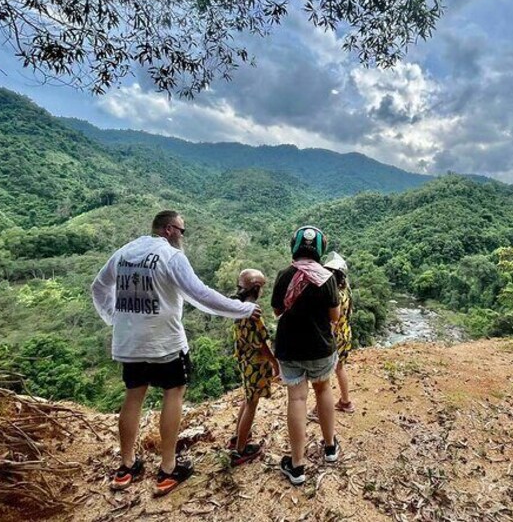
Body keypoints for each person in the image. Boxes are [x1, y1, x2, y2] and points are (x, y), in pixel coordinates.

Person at [91, 210, 261, 497]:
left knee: (134, 396)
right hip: (165, 343)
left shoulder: (124, 253)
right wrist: (243, 309)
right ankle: (168, 469)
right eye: (182, 230)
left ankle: (126, 467)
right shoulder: (171, 257)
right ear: (169, 230)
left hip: (129, 343)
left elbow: (98, 287)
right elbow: (201, 294)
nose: (183, 236)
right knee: (174, 393)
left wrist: (115, 318)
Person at [271, 225, 341, 486]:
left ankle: (297, 465)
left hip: (290, 348)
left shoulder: (284, 275)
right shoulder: (328, 278)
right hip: (321, 347)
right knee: (323, 390)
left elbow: (278, 311)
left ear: (294, 246)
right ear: (320, 249)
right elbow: (335, 316)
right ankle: (331, 447)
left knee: (297, 399)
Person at [228, 268, 279, 466]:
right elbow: (262, 344)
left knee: (248, 398)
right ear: (256, 288)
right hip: (256, 364)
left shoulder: (237, 307)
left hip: (245, 361)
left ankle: (238, 437)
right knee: (252, 403)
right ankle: (241, 450)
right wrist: (275, 363)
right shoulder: (253, 312)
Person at [322, 252, 355, 413]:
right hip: (345, 333)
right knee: (339, 368)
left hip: (335, 336)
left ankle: (319, 409)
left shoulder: (334, 294)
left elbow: (332, 321)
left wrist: (326, 339)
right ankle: (345, 402)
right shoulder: (346, 291)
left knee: (325, 372)